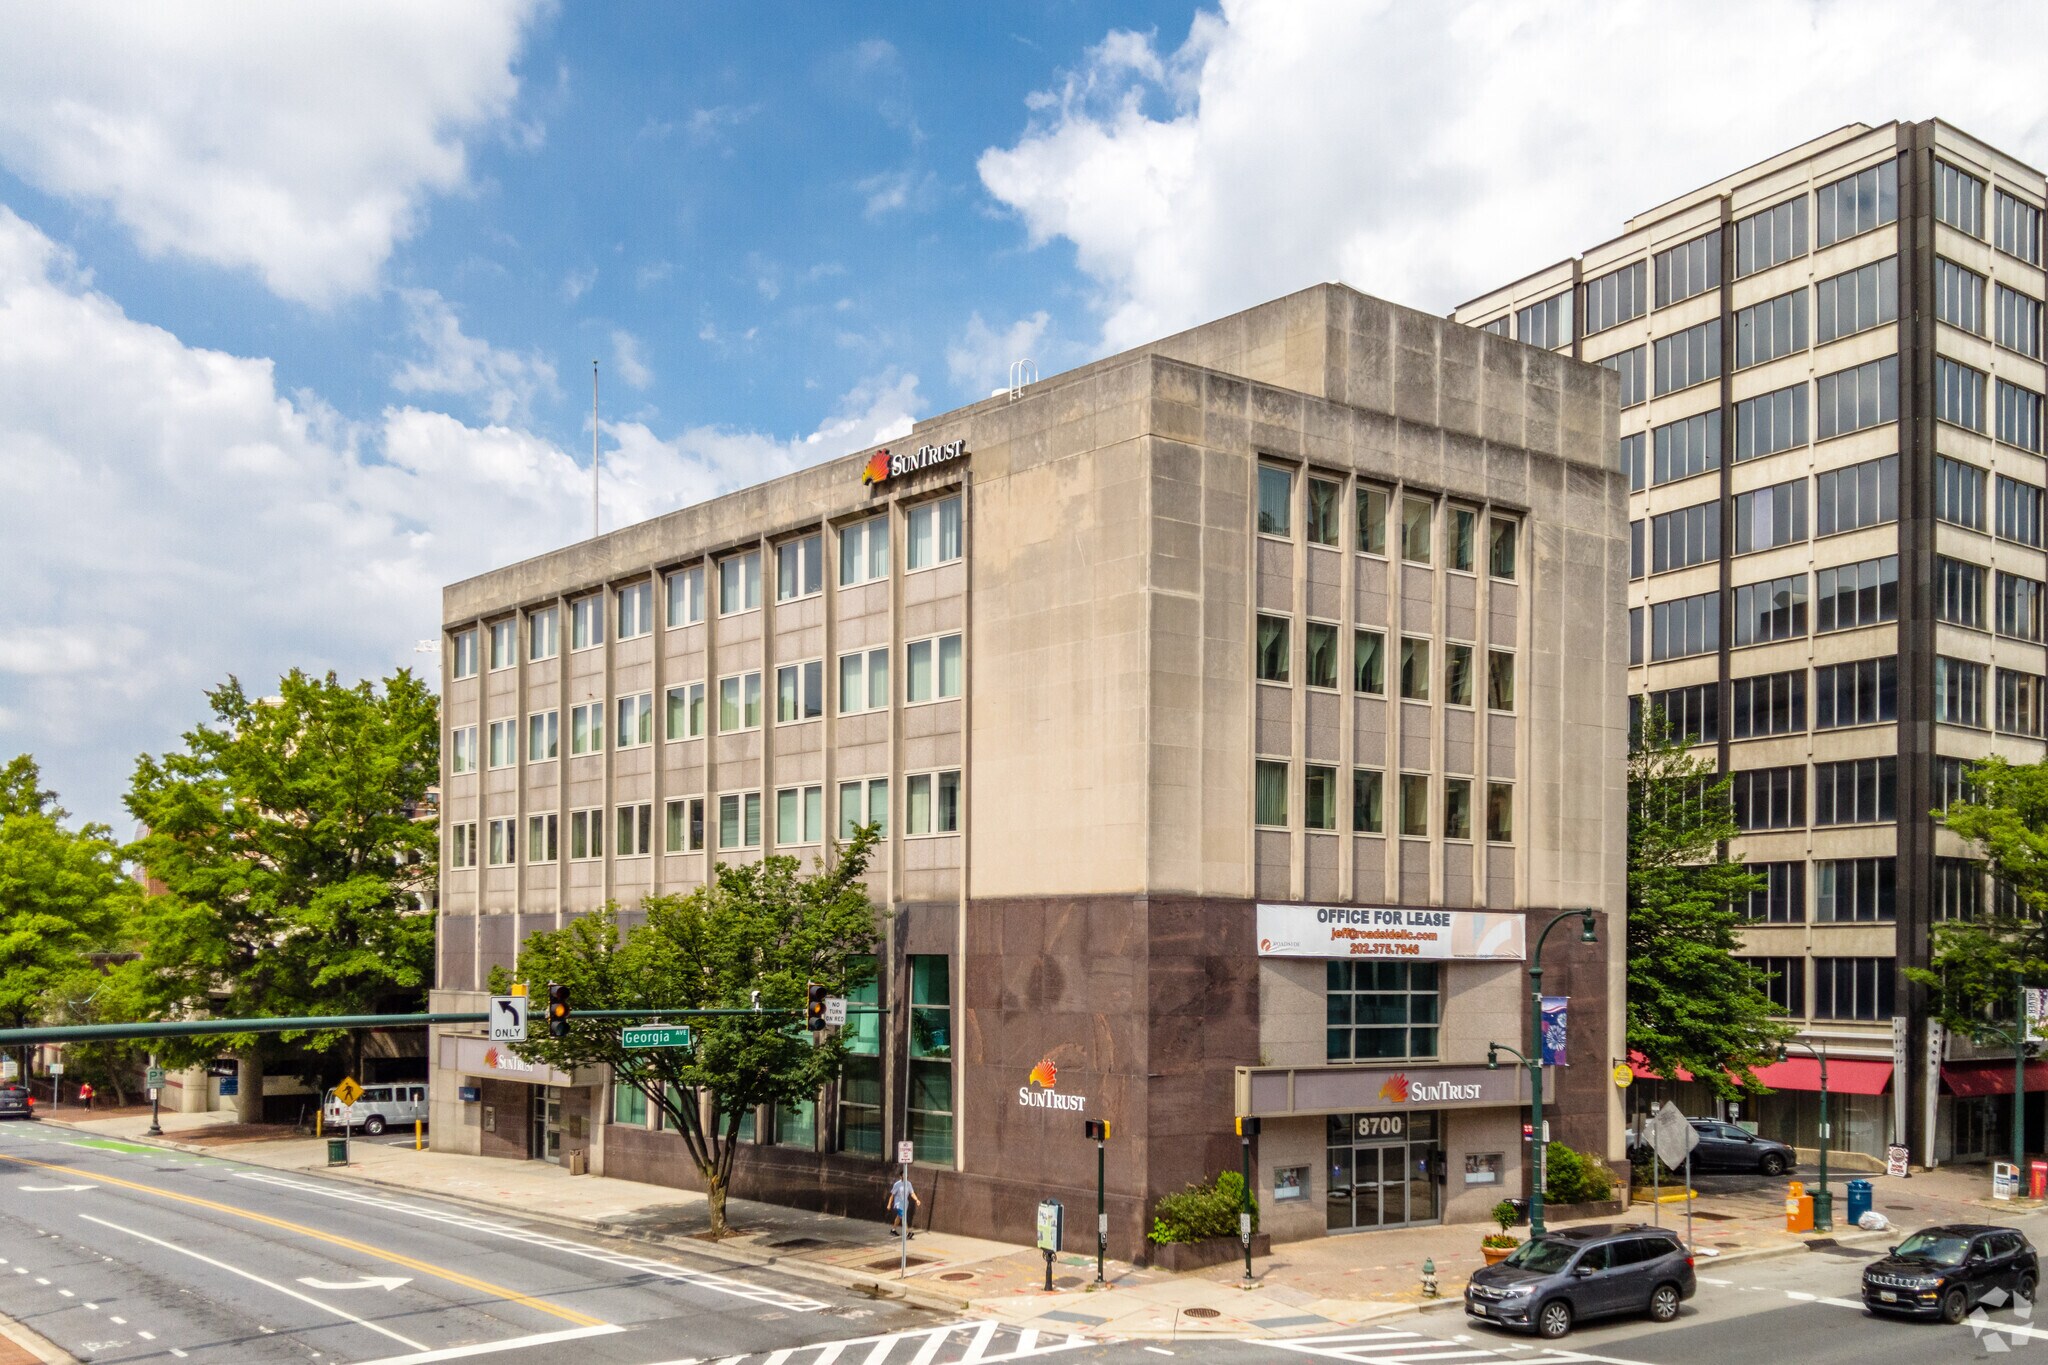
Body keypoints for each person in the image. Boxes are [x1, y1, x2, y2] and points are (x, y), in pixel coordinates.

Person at [887, 1172, 920, 1237]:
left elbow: (912, 1193)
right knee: (903, 1216)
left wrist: (916, 1200)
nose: (905, 1177)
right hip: (898, 1203)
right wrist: (889, 1204)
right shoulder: (897, 1184)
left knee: (899, 1217)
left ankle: (893, 1230)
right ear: (900, 1176)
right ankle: (907, 1233)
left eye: (906, 1176)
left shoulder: (909, 1184)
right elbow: (892, 1195)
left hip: (905, 1204)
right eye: (903, 1176)